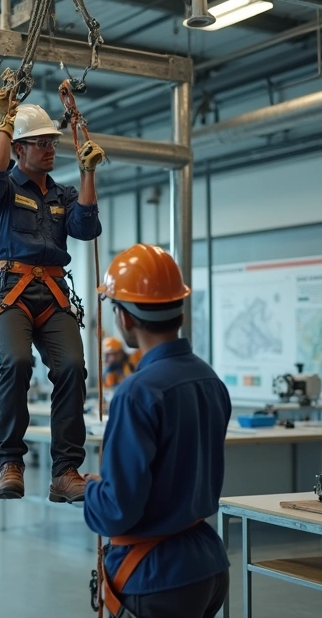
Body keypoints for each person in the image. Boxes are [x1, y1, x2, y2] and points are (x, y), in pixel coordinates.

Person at [85, 244, 231, 618]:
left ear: (124, 317)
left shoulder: (137, 392)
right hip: (206, 565)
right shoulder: (208, 379)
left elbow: (117, 510)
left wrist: (88, 492)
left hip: (155, 575)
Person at [0, 88, 105, 502]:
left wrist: (87, 174)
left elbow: (86, 228)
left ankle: (65, 472)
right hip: (12, 292)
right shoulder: (5, 189)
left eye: (52, 142)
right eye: (41, 143)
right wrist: (6, 123)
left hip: (52, 293)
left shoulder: (63, 194)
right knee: (15, 362)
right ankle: (9, 463)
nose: (50, 149)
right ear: (19, 149)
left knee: (72, 368)